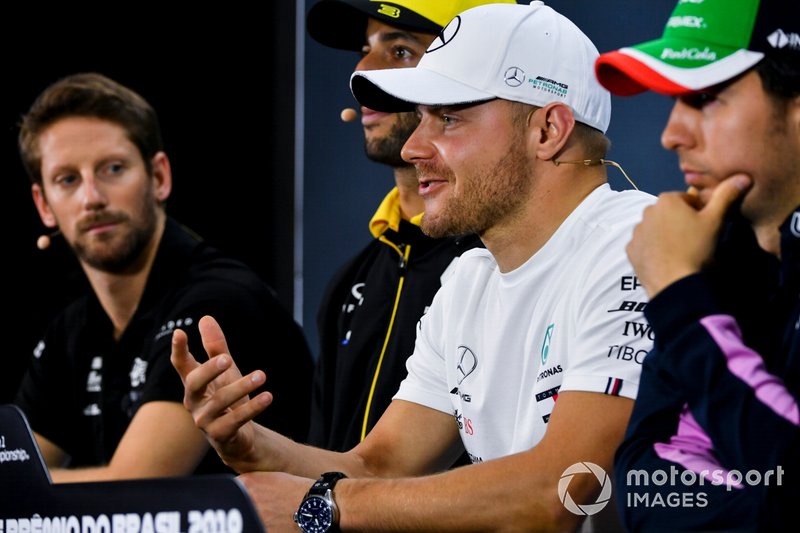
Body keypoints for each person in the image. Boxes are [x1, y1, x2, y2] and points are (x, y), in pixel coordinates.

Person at [173, 3, 655, 531]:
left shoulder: (635, 244)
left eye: (448, 118)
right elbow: (377, 466)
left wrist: (326, 507)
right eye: (421, 118)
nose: (414, 147)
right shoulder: (470, 279)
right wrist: (249, 442)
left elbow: (563, 488)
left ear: (548, 130)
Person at [13, 72, 314, 482]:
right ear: (43, 204)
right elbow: (17, 464)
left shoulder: (218, 298)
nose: (92, 198)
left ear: (159, 177)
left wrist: (17, 487)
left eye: (113, 169)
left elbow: (134, 491)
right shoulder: (73, 329)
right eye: (68, 180)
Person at [594, 0, 799, 530]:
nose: (672, 134)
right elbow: (644, 478)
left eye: (704, 97)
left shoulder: (685, 276)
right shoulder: (724, 256)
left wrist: (677, 293)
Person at [305, 0, 513, 453]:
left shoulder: (511, 264)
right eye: (365, 48)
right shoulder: (350, 282)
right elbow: (336, 470)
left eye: (399, 52)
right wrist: (247, 444)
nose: (362, 71)